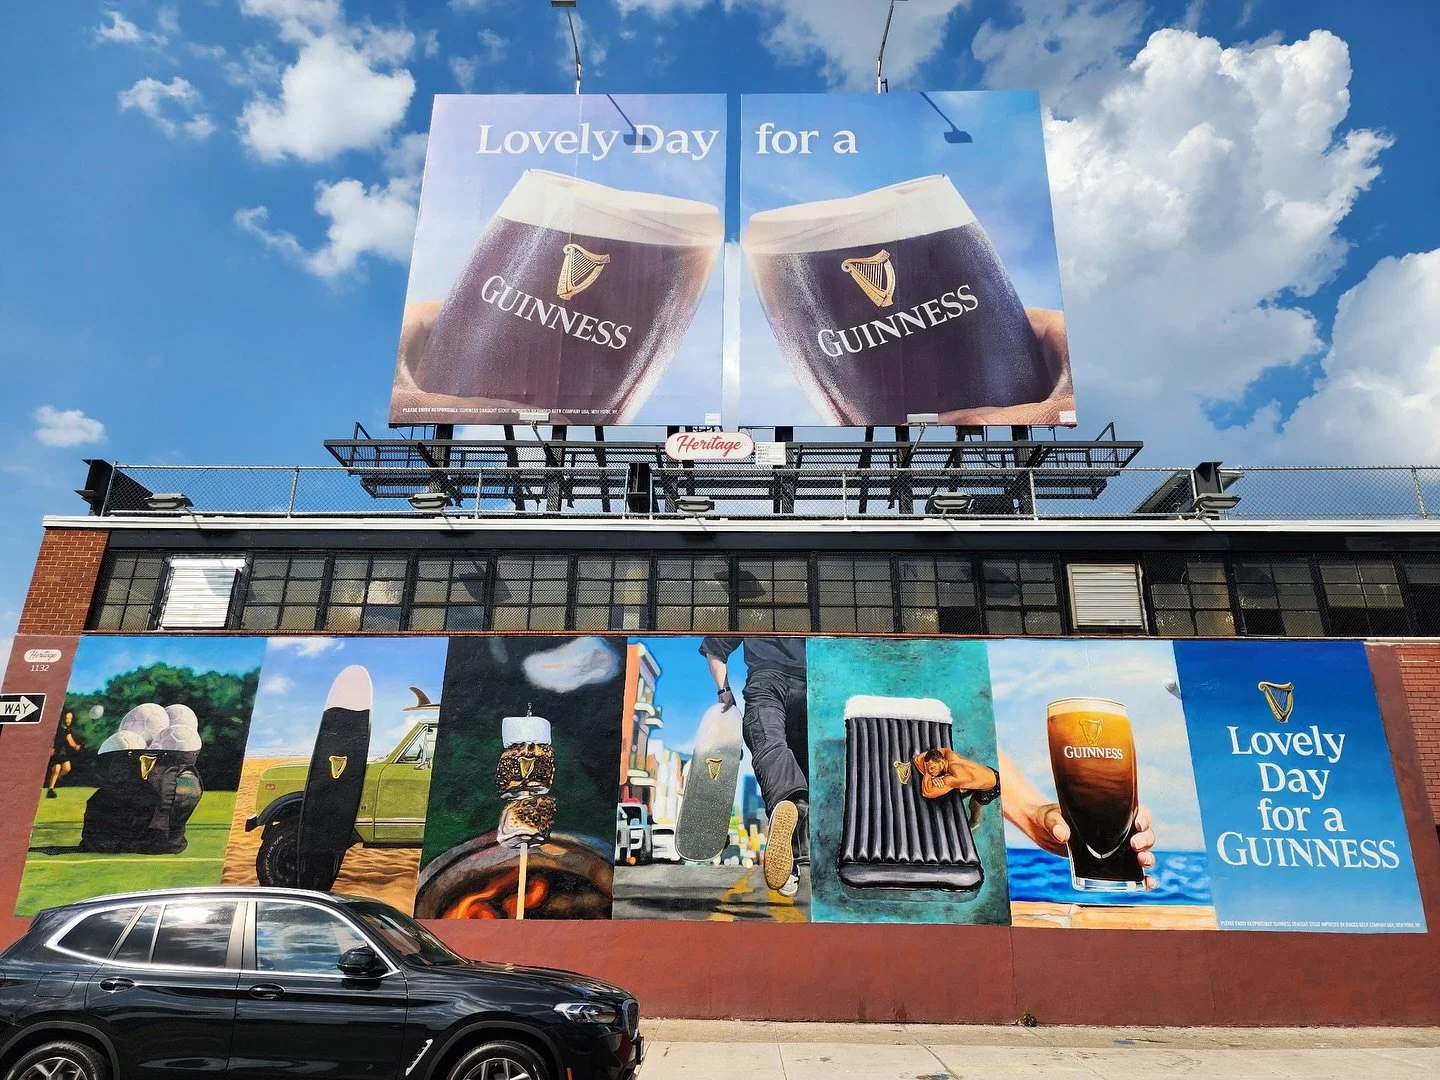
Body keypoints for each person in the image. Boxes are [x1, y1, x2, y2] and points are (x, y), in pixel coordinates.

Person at [699, 637, 808, 898]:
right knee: (808, 766)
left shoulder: (749, 611)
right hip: (813, 684)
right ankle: (796, 842)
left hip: (765, 682)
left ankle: (791, 814)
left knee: (768, 745)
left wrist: (724, 691)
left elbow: (715, 649)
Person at [45, 711, 83, 798]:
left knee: (67, 768)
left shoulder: (67, 729)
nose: (69, 720)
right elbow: (70, 741)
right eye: (67, 718)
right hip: (56, 752)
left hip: (62, 752)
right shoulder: (57, 728)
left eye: (70, 718)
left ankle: (56, 779)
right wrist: (76, 746)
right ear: (63, 718)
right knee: (56, 769)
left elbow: (70, 740)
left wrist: (75, 746)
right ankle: (51, 789)